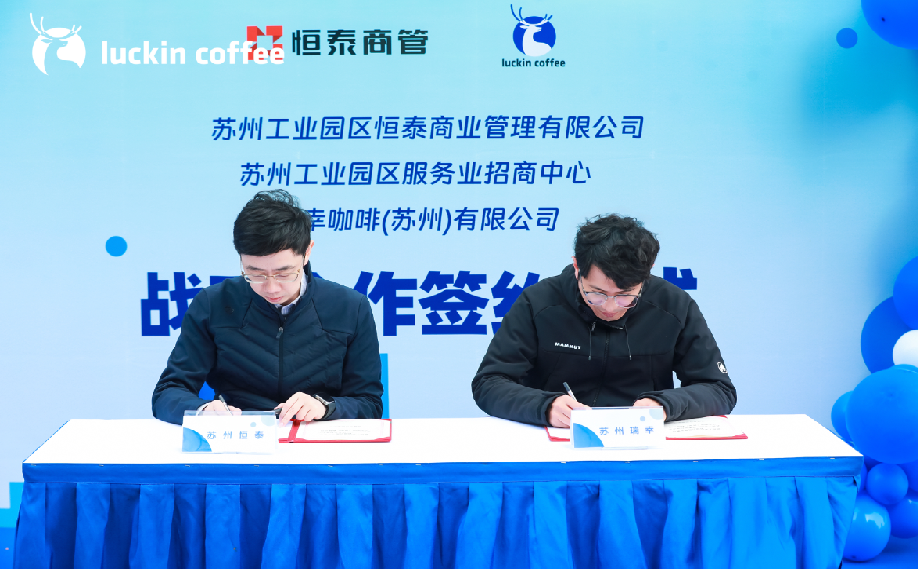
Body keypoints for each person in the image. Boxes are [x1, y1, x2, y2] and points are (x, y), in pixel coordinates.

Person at [472, 214, 737, 428]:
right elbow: (489, 383)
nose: (609, 308)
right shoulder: (538, 302)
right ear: (577, 267)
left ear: (647, 274)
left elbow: (719, 389)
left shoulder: (673, 305)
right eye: (596, 294)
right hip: (555, 444)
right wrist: (544, 406)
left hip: (643, 444)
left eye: (625, 296)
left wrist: (665, 405)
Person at [152, 190, 383, 425]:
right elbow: (168, 392)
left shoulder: (350, 307)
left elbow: (369, 403)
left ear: (307, 252)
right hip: (241, 435)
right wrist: (202, 410)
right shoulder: (213, 304)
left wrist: (326, 407)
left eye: (284, 273)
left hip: (316, 436)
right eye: (255, 274)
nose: (271, 288)